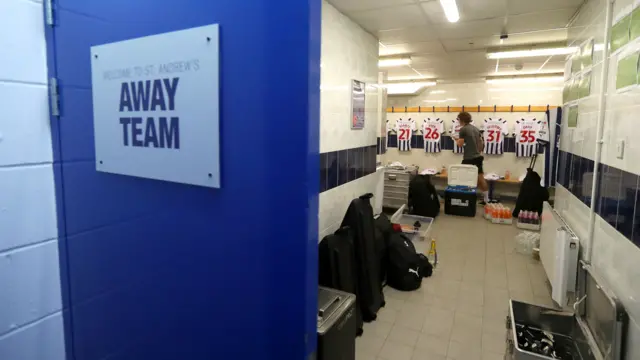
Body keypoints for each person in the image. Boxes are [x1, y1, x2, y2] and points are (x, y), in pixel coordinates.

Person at [453, 111, 490, 204]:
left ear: (461, 119)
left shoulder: (463, 129)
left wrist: (455, 139)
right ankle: (486, 199)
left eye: (458, 119)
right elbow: (481, 144)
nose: (458, 121)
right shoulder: (475, 129)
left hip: (468, 158)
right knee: (481, 177)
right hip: (478, 157)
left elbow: (460, 145)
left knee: (462, 178)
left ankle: (465, 199)